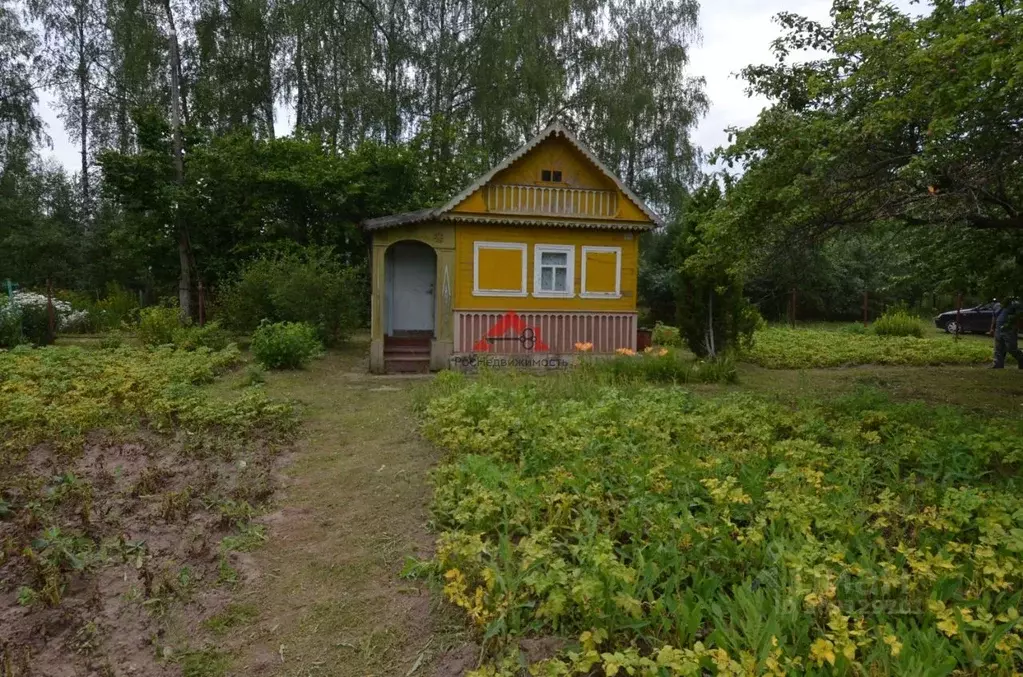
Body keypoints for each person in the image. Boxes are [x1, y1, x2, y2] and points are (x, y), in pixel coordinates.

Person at [989, 296, 1022, 369]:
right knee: (998, 348)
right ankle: (998, 364)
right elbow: (994, 317)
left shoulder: (1014, 304)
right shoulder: (997, 305)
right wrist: (992, 328)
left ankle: (1021, 359)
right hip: (998, 328)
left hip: (1009, 329)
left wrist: (1017, 327)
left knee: (1011, 348)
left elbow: (1018, 317)